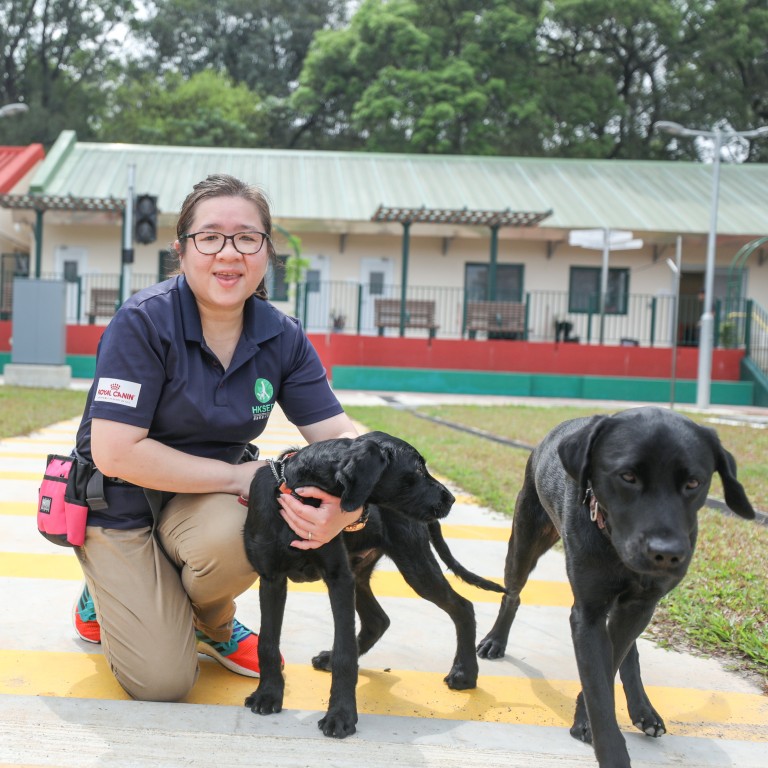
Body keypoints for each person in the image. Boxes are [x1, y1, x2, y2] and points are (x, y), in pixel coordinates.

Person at [70, 173, 363, 702]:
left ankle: (211, 621)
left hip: (199, 504)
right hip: (118, 501)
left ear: (267, 251)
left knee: (261, 524)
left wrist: (351, 507)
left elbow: (339, 434)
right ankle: (104, 591)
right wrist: (237, 475)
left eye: (247, 237)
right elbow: (113, 451)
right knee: (163, 683)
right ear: (181, 250)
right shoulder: (142, 322)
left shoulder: (282, 334)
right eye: (210, 237)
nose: (229, 253)